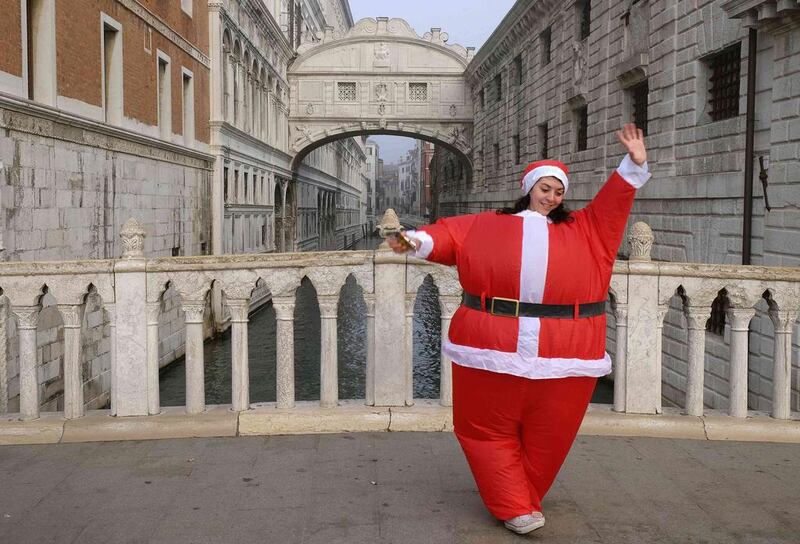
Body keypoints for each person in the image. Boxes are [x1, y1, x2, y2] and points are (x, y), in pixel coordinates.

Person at [388, 124, 650, 535]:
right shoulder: (485, 224)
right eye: (546, 188)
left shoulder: (587, 229)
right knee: (484, 430)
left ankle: (517, 498)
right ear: (530, 188)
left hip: (567, 349)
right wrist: (407, 241)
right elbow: (443, 237)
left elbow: (614, 204)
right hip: (490, 344)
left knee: (554, 433)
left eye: (559, 191)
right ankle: (514, 503)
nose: (552, 197)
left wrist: (632, 166)